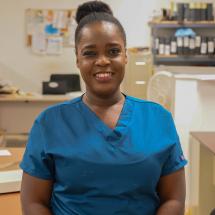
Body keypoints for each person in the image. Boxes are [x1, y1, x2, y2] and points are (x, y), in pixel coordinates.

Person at [20, 1, 187, 215]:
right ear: (78, 60)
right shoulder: (49, 123)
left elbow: (173, 199)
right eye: (90, 53)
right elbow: (34, 202)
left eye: (113, 51)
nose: (102, 61)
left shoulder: (158, 119)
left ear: (125, 56)